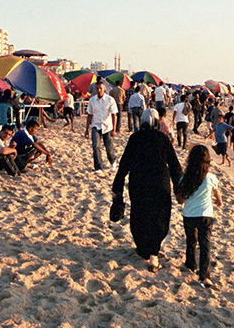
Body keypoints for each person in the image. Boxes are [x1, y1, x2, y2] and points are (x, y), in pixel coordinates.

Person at [111, 108, 183, 271]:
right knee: (159, 216)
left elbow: (124, 166)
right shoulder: (163, 139)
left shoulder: (135, 138)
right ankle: (153, 255)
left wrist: (117, 188)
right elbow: (175, 166)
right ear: (157, 122)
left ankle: (143, 248)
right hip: (160, 183)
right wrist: (179, 188)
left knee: (139, 214)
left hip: (139, 182)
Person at [175, 145, 222, 288]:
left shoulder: (185, 177)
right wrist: (219, 201)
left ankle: (190, 264)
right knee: (205, 245)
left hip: (189, 215)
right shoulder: (210, 178)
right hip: (205, 216)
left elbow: (180, 199)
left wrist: (182, 199)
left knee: (191, 241)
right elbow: (216, 192)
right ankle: (205, 276)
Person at [85, 81, 118, 173]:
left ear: (104, 89)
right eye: (97, 88)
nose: (99, 90)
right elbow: (89, 115)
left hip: (107, 126)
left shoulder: (110, 100)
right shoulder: (92, 100)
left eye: (100, 88)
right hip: (96, 125)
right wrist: (87, 129)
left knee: (108, 147)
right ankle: (98, 167)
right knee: (96, 146)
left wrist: (114, 129)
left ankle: (113, 160)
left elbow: (114, 115)